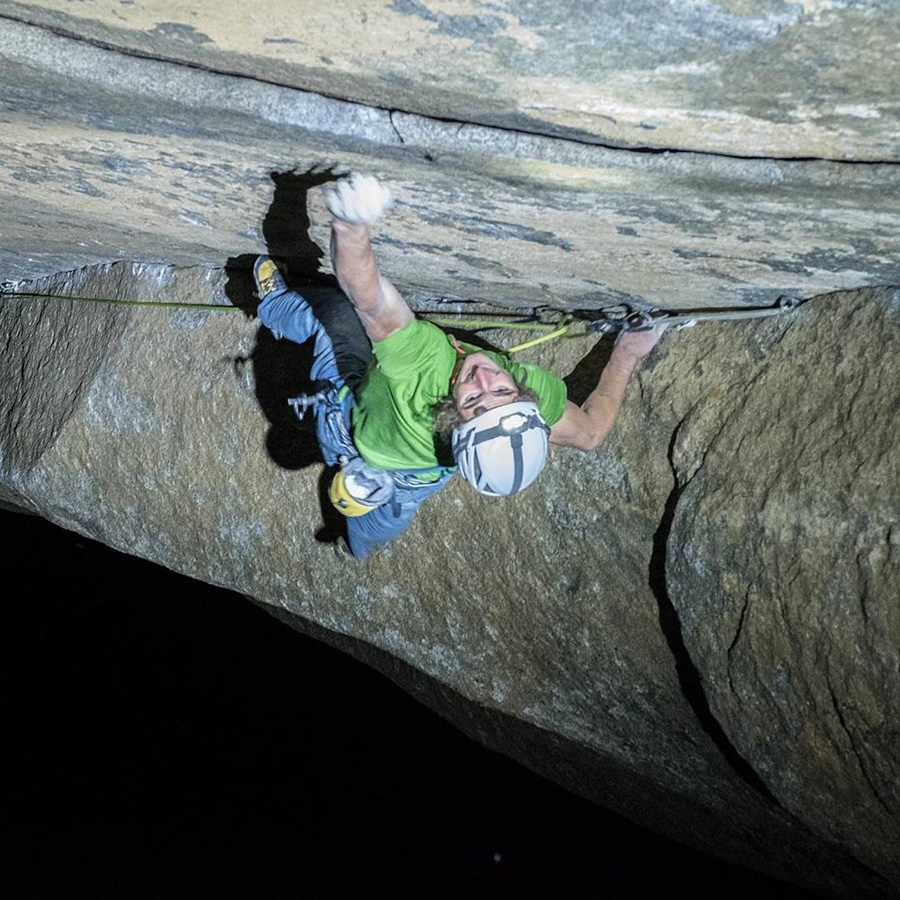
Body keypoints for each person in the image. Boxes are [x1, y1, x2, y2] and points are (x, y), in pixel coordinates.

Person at [254, 173, 664, 559]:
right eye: (503, 392)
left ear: (455, 419)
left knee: (337, 316)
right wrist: (629, 352)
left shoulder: (421, 373)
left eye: (475, 405)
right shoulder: (529, 401)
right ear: (525, 398)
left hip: (350, 431)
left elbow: (371, 301)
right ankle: (355, 545)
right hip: (415, 480)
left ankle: (274, 304)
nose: (485, 377)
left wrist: (350, 225)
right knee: (381, 523)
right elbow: (590, 434)